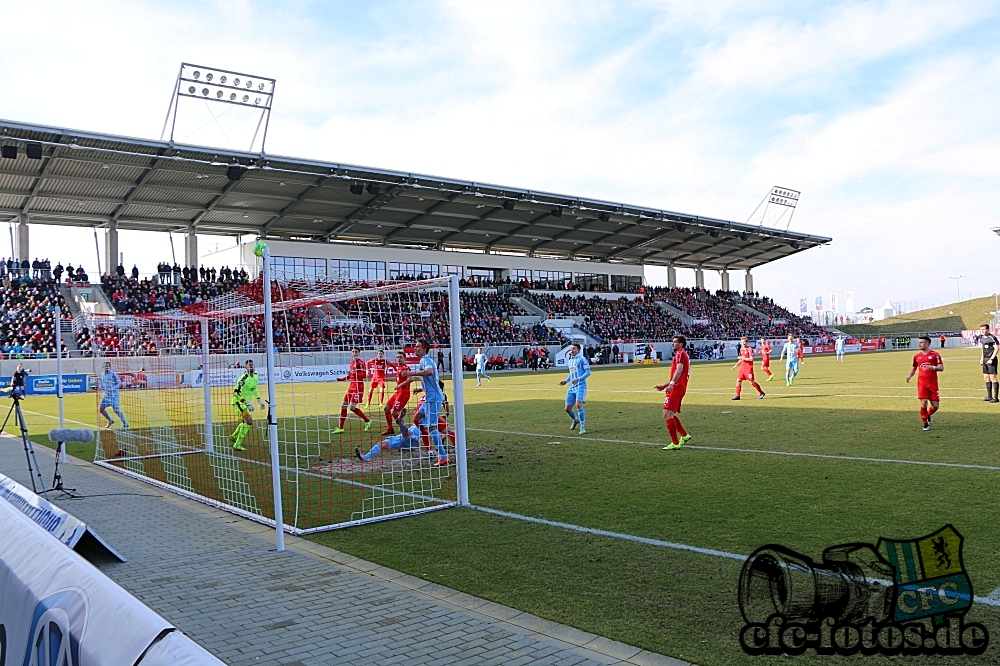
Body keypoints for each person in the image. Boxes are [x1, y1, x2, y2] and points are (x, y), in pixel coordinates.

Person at [411, 340, 449, 466]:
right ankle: (437, 435)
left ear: (424, 348)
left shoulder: (427, 361)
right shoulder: (423, 360)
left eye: (417, 347)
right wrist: (421, 389)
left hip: (433, 398)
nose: (415, 348)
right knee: (417, 417)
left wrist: (412, 373)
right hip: (429, 396)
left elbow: (430, 372)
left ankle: (443, 456)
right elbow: (432, 379)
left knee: (431, 426)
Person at [657, 335, 691, 451]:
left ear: (681, 344)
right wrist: (666, 385)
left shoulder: (681, 354)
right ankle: (684, 435)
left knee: (667, 414)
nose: (673, 344)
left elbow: (680, 369)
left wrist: (671, 384)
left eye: (675, 342)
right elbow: (678, 374)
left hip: (677, 387)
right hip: (677, 386)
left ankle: (675, 443)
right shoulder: (680, 354)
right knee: (667, 413)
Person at [905, 335, 943, 431]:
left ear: (927, 343)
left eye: (921, 342)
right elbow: (914, 367)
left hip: (933, 383)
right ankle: (925, 423)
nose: (919, 344)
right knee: (924, 403)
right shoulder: (917, 356)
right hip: (922, 382)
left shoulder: (935, 355)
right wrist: (910, 376)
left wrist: (932, 367)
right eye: (919, 342)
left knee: (935, 406)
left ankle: (928, 415)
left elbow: (941, 368)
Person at [332, 348, 371, 434]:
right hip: (351, 387)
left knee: (352, 407)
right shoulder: (351, 363)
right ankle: (340, 428)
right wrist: (342, 379)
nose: (354, 353)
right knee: (343, 406)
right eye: (353, 352)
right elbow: (351, 376)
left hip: (358, 387)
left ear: (359, 353)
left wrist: (353, 374)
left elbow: (364, 375)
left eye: (356, 352)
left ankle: (367, 421)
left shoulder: (361, 363)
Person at [229, 359, 264, 451]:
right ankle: (237, 444)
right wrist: (246, 402)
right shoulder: (243, 378)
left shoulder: (256, 377)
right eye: (249, 365)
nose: (251, 366)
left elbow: (254, 389)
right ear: (245, 367)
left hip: (245, 404)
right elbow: (236, 393)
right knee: (248, 421)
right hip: (238, 402)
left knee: (246, 422)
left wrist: (259, 400)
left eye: (252, 364)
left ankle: (233, 436)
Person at [559, 342, 591, 434]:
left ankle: (582, 426)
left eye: (574, 349)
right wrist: (566, 381)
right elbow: (571, 374)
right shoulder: (570, 361)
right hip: (571, 387)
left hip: (581, 386)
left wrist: (579, 379)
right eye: (571, 348)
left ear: (578, 350)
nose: (572, 350)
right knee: (567, 409)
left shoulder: (582, 359)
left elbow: (588, 372)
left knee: (578, 405)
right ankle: (575, 420)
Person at [382, 351, 412, 436]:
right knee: (386, 408)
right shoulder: (399, 367)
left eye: (400, 357)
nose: (398, 359)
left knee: (394, 413)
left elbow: (410, 379)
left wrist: (399, 385)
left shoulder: (405, 368)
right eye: (397, 357)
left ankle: (404, 429)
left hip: (404, 393)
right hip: (398, 392)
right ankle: (390, 429)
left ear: (404, 358)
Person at [355, 424, 422, 462]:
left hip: (410, 439)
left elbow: (425, 437)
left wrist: (416, 442)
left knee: (407, 433)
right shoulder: (416, 423)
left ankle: (400, 422)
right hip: (400, 438)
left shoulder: (427, 424)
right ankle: (365, 457)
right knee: (381, 444)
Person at [731, 336, 765, 401]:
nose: (743, 344)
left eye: (744, 342)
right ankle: (737, 395)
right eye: (742, 342)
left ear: (747, 342)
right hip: (742, 368)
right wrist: (735, 366)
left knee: (752, 382)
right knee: (738, 381)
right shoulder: (741, 349)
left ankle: (761, 393)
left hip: (748, 368)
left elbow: (751, 359)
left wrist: (743, 358)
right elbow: (741, 360)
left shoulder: (749, 349)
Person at [98, 362, 130, 430]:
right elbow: (102, 384)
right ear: (103, 367)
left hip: (114, 395)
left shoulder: (113, 374)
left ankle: (125, 424)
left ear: (110, 367)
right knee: (101, 409)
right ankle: (110, 420)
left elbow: (119, 383)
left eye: (108, 366)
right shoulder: (102, 375)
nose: (106, 367)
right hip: (106, 395)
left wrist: (112, 389)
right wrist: (100, 387)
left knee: (116, 410)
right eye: (105, 366)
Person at [978, 324, 998, 403]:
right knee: (986, 378)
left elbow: (997, 348)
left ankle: (996, 398)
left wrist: (992, 358)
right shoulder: (981, 338)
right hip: (985, 360)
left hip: (991, 360)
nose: (982, 331)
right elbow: (983, 349)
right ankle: (989, 396)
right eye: (981, 329)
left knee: (993, 378)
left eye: (984, 329)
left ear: (988, 329)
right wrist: (982, 358)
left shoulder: (992, 338)